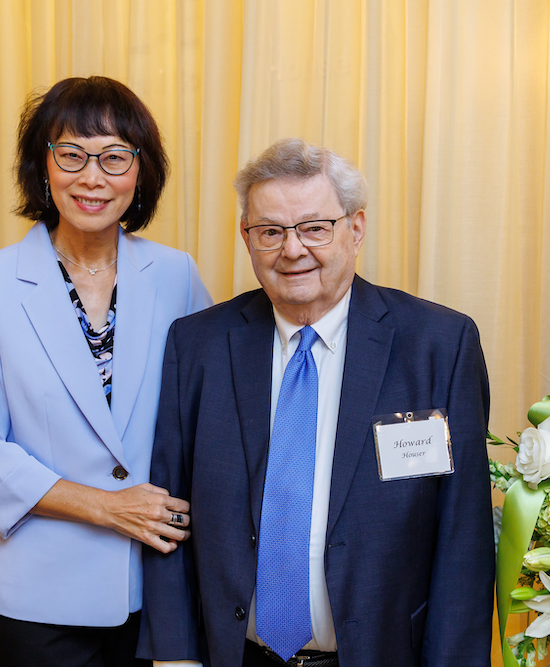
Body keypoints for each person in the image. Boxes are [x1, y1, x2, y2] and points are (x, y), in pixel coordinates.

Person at [138, 138, 494, 667]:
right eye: (270, 232)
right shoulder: (199, 346)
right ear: (246, 237)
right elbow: (167, 515)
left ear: (356, 229)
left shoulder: (438, 345)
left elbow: (462, 537)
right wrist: (175, 656)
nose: (292, 249)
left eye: (314, 227)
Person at [0, 76, 212, 667]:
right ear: (43, 166)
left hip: (162, 587)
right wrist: (108, 506)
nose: (93, 177)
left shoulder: (177, 275)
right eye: (72, 155)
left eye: (115, 157)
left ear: (140, 173)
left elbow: (210, 415)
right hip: (38, 596)